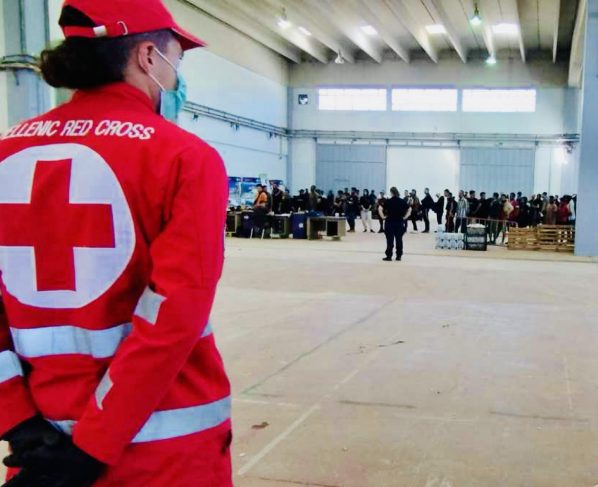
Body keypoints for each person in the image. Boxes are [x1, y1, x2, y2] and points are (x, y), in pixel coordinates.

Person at [0, 1, 233, 486]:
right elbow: (174, 317)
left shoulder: (6, 153)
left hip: (42, 452)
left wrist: (16, 420)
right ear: (148, 56)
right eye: (176, 60)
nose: (177, 79)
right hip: (162, 457)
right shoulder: (184, 157)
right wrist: (92, 446)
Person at [382, 187, 411, 261]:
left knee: (390, 240)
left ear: (391, 192)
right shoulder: (402, 201)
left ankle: (389, 256)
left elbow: (380, 208)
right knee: (399, 240)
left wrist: (383, 217)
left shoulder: (388, 201)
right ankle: (399, 256)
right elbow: (409, 209)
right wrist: (405, 217)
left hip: (389, 222)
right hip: (399, 222)